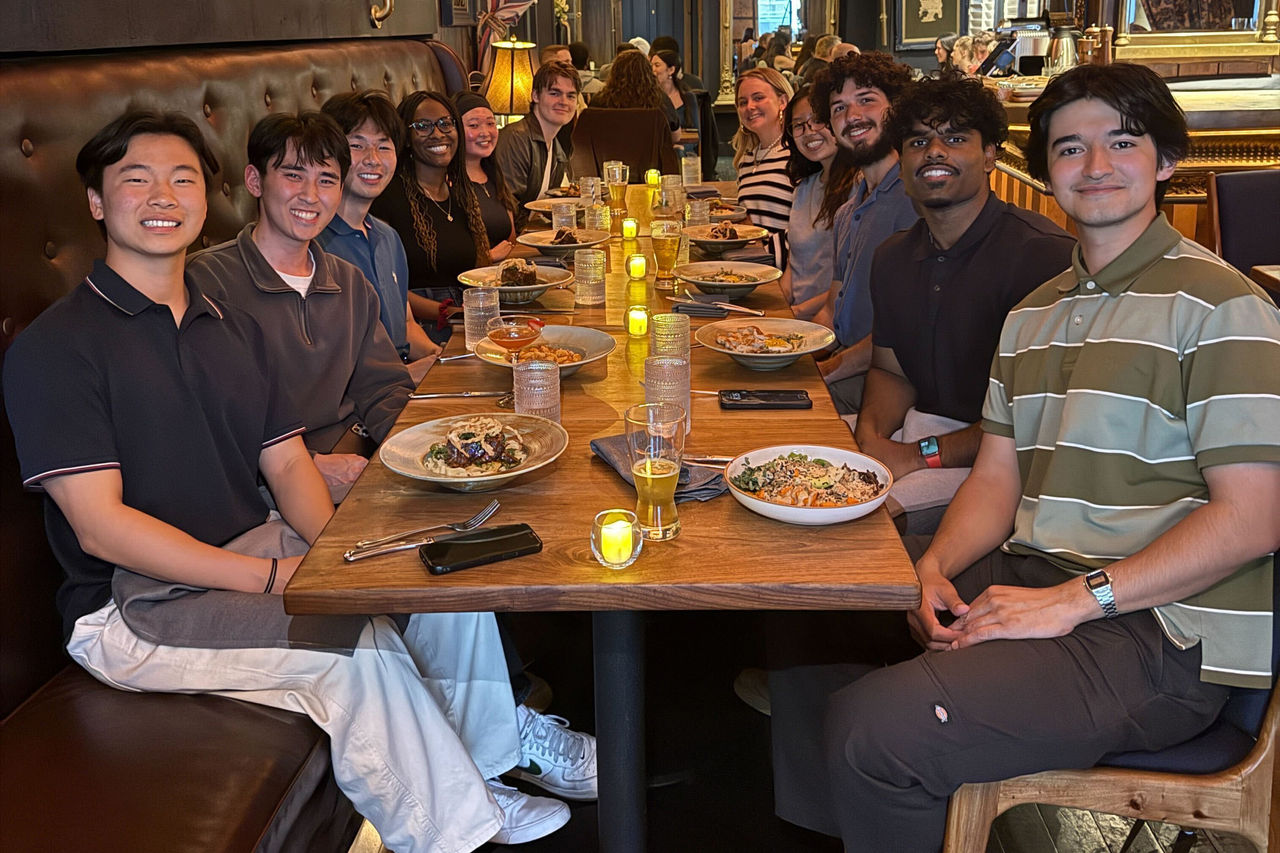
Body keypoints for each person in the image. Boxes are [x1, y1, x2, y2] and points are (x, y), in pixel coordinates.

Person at [3, 109, 585, 853]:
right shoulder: (60, 346)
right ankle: (456, 830)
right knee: (358, 644)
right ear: (95, 201)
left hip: (248, 540)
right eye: (135, 179)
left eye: (182, 178)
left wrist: (343, 552)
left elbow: (286, 465)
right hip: (131, 604)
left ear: (207, 198)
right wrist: (273, 575)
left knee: (434, 569)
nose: (163, 195)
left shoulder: (228, 324)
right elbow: (101, 528)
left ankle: (490, 764)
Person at [818, 61, 1280, 851]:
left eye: (1122, 142)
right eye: (1070, 149)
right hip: (1044, 579)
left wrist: (1074, 600)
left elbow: (1254, 519)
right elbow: (997, 477)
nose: (1095, 166)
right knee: (837, 591)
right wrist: (930, 570)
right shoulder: (1038, 312)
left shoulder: (1224, 303)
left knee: (872, 731)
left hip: (1160, 637)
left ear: (1166, 160)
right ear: (1045, 171)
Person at [852, 76, 1075, 533]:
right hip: (916, 434)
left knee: (860, 525)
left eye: (955, 138)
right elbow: (890, 370)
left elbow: (1035, 417)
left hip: (1005, 467)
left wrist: (916, 456)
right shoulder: (892, 258)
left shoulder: (1045, 256)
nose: (934, 151)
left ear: (990, 155)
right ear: (901, 159)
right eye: (918, 141)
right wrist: (870, 438)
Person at [185, 112, 413, 503]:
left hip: (358, 462)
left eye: (326, 180)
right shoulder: (208, 281)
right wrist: (308, 464)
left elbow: (384, 388)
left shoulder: (348, 281)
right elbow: (208, 419)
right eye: (293, 175)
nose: (311, 195)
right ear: (255, 181)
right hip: (261, 486)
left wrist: (421, 450)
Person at [809, 52, 919, 412]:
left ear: (897, 108)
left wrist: (823, 371)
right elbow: (831, 308)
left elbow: (903, 333)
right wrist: (790, 348)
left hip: (887, 382)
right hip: (844, 362)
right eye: (838, 108)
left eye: (866, 100)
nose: (852, 116)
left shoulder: (915, 201)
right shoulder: (847, 210)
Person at [316, 91, 441, 387]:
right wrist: (409, 376)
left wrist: (440, 359)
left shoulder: (387, 236)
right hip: (362, 402)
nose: (373, 160)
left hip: (401, 384)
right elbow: (326, 368)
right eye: (357, 146)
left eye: (383, 146)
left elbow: (406, 326)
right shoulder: (314, 244)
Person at [372, 92, 496, 338]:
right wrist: (450, 312)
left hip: (465, 319)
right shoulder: (387, 197)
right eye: (423, 126)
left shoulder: (460, 195)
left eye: (445, 123)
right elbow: (384, 286)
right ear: (405, 138)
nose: (438, 134)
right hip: (419, 328)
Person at [778, 83, 857, 321]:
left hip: (835, 323)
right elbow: (795, 264)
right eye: (799, 125)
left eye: (818, 120)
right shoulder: (804, 187)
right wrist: (778, 307)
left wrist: (795, 315)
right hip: (798, 317)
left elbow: (852, 280)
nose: (809, 131)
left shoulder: (860, 186)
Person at [494, 60, 580, 230]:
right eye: (555, 93)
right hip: (511, 241)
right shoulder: (516, 138)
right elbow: (506, 208)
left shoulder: (556, 146)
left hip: (532, 233)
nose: (564, 101)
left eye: (570, 96)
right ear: (535, 96)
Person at [733, 67, 795, 265]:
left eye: (758, 98)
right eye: (743, 102)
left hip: (785, 273)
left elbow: (808, 232)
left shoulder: (797, 156)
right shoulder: (747, 159)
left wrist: (763, 257)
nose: (750, 106)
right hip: (751, 266)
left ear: (783, 102)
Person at [453, 91, 519, 262]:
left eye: (491, 123)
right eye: (474, 126)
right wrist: (488, 256)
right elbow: (447, 255)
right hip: (471, 283)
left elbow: (511, 238)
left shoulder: (494, 175)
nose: (485, 132)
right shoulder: (447, 183)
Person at [650, 49, 700, 136]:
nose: (652, 70)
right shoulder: (650, 97)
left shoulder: (688, 97)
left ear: (671, 70)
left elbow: (696, 133)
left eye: (657, 65)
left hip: (685, 145)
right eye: (651, 66)